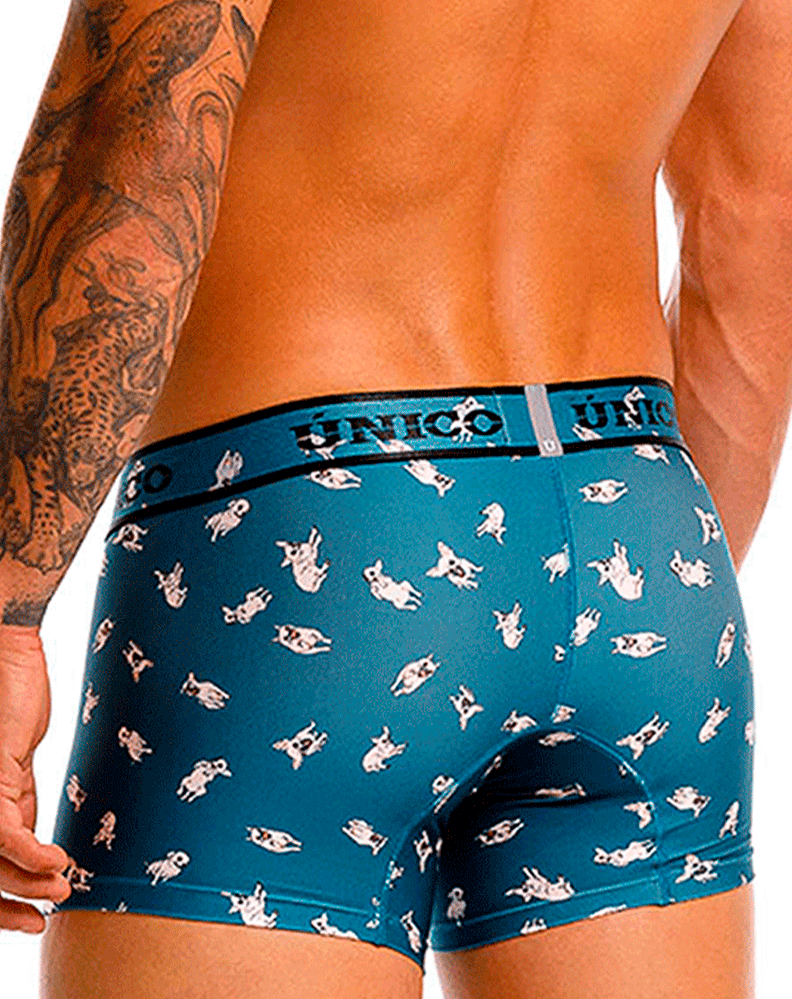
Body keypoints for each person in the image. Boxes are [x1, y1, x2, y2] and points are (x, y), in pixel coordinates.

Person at [0, 0, 789, 994]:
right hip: (641, 527)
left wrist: (8, 614)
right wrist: (649, 587)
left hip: (308, 542)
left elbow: (135, 148)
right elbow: (757, 215)